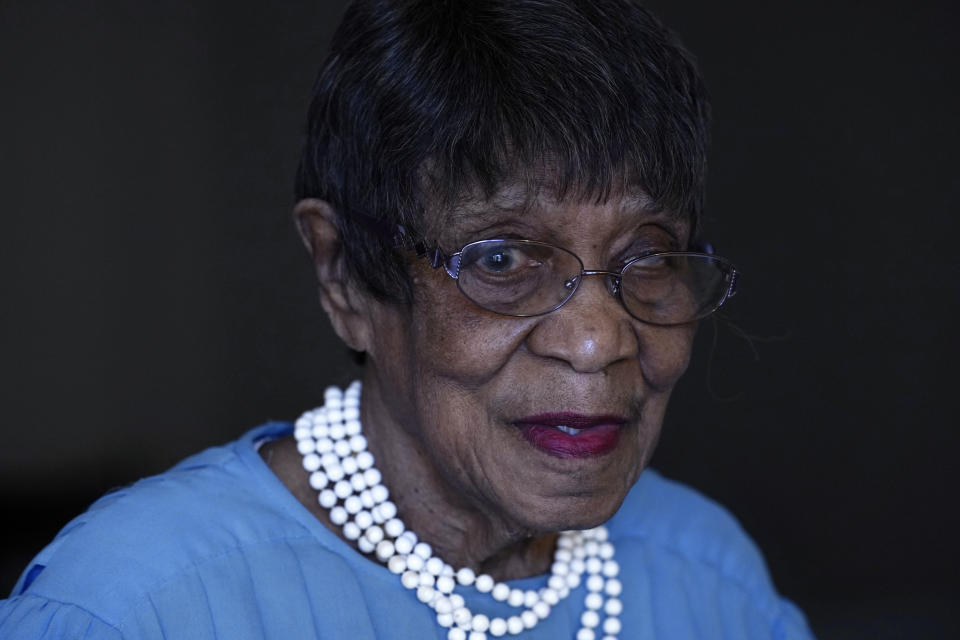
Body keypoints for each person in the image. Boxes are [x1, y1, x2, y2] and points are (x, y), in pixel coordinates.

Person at [0, 0, 815, 638]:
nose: (599, 341)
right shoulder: (136, 607)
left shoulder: (707, 576)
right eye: (500, 259)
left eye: (648, 258)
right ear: (345, 275)